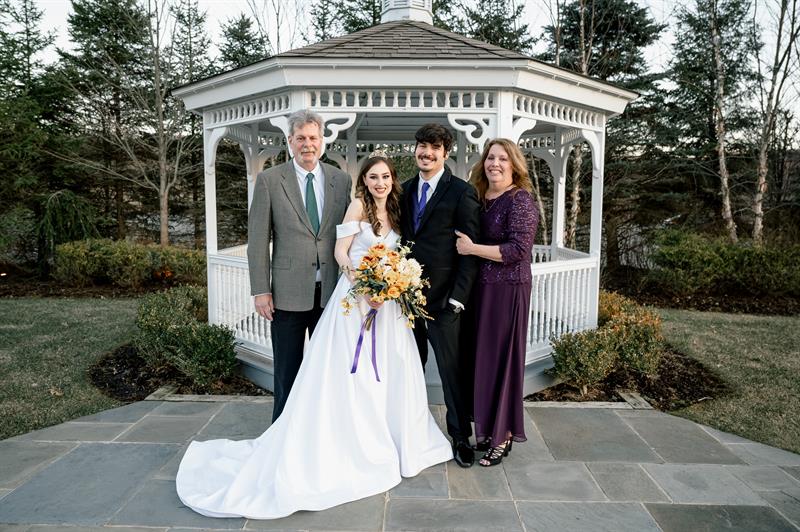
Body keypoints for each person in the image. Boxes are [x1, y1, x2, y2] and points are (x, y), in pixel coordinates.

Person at [176, 155, 453, 519]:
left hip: (390, 308)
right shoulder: (357, 206)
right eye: (373, 176)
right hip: (356, 301)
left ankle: (396, 438)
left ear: (393, 179)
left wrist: (395, 283)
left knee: (392, 370)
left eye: (386, 176)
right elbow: (341, 251)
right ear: (364, 180)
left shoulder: (398, 210)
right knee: (352, 375)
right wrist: (364, 284)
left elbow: (401, 254)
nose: (380, 182)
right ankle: (353, 441)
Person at [247, 109, 351, 422]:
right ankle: (282, 431)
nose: (308, 144)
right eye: (301, 138)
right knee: (287, 371)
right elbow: (257, 240)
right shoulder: (269, 180)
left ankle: (321, 428)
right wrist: (261, 290)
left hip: (330, 293)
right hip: (287, 294)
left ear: (322, 140)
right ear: (290, 141)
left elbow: (350, 233)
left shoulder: (340, 179)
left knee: (327, 370)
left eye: (313, 138)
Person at [401, 123, 481, 468]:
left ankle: (460, 437)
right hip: (404, 301)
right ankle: (408, 433)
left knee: (451, 373)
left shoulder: (461, 192)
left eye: (435, 148)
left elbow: (470, 251)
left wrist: (457, 300)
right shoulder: (403, 190)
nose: (427, 153)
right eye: (422, 146)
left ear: (445, 153)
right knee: (407, 369)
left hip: (444, 302)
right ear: (415, 150)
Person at [455, 138, 539, 467]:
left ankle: (503, 434)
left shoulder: (520, 200)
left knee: (503, 360)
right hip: (480, 290)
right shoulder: (479, 196)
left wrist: (472, 249)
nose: (495, 164)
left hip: (508, 289)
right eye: (491, 157)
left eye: (503, 159)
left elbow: (518, 250)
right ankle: (488, 429)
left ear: (514, 165)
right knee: (483, 361)